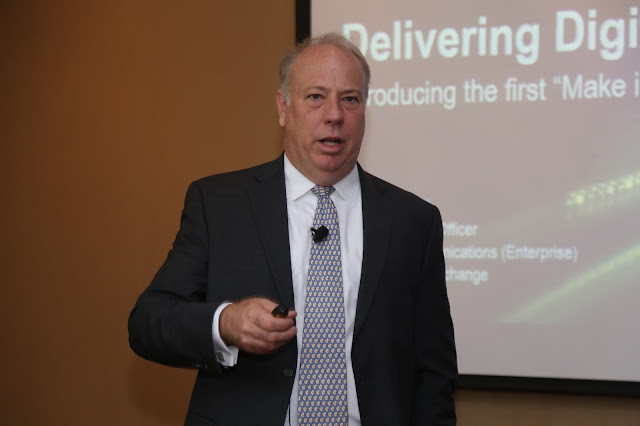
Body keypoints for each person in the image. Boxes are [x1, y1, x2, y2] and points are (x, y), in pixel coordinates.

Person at [128, 33, 457, 425]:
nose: (334, 114)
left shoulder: (413, 221)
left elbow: (433, 372)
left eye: (350, 99)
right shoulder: (220, 205)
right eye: (316, 96)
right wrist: (225, 323)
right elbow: (148, 322)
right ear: (283, 108)